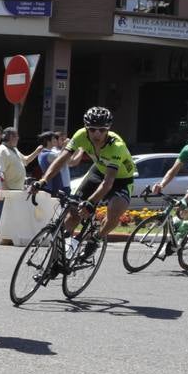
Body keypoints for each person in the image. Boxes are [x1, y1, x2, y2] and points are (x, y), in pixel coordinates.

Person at [29, 106, 136, 263]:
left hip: (120, 180)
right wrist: (43, 180)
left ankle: (97, 238)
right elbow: (61, 160)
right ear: (86, 128)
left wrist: (90, 203)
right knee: (74, 213)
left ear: (108, 129)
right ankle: (60, 252)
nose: (97, 134)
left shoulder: (116, 146)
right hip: (97, 172)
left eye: (101, 130)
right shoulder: (80, 135)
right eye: (92, 129)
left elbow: (108, 184)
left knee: (114, 211)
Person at [0, 127, 42, 228]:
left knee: (12, 217)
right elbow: (0, 173)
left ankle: (7, 234)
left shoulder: (14, 149)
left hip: (16, 191)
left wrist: (37, 152)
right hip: (8, 191)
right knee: (3, 217)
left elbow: (26, 160)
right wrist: (6, 191)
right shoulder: (2, 151)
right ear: (10, 137)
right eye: (16, 136)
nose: (18, 138)